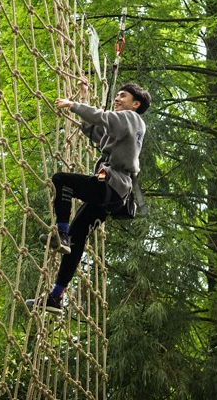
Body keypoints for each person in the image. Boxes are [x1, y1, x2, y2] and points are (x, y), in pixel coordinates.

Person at [26, 81, 151, 315]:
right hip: (114, 194)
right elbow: (95, 131)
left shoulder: (131, 119)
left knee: (62, 180)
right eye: (117, 95)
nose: (117, 98)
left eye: (122, 96)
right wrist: (84, 96)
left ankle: (60, 233)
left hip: (111, 185)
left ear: (135, 104)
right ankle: (56, 296)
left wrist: (74, 104)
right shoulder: (128, 125)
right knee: (76, 240)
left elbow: (103, 118)